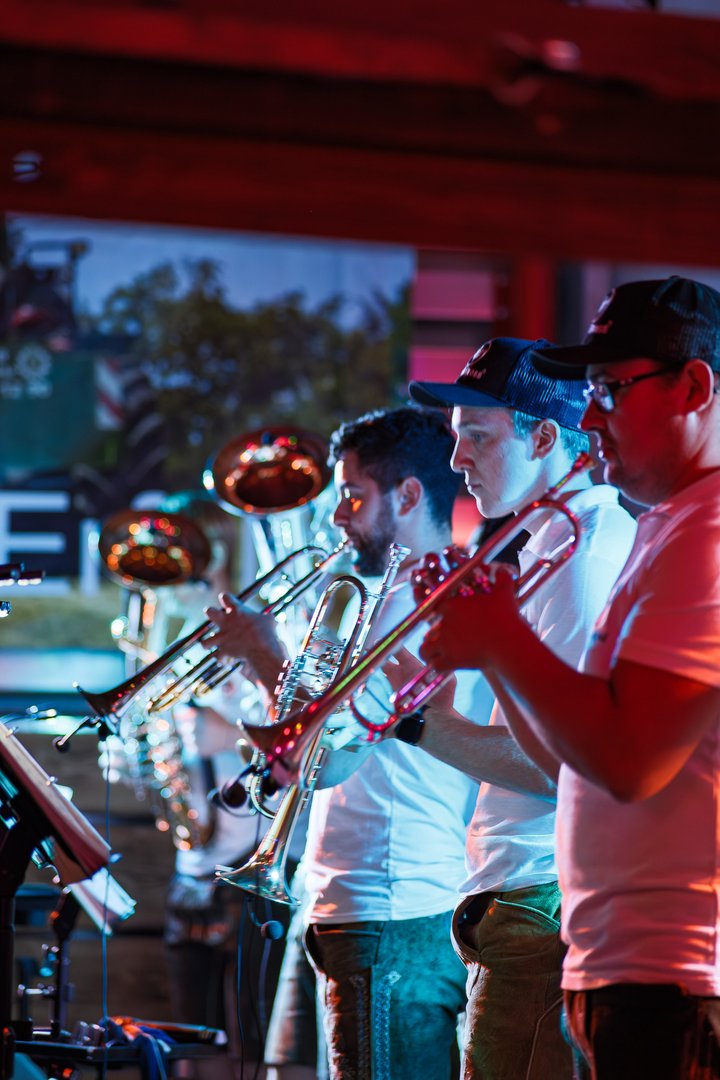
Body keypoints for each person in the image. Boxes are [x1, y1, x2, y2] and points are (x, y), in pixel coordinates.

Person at [419, 278, 720, 1080]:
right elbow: (575, 751)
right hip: (621, 957)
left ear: (693, 388)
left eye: (609, 390)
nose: (588, 418)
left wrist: (500, 642)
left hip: (676, 974)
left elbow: (626, 762)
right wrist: (496, 650)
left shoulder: (704, 534)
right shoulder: (668, 527)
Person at [205, 406, 495, 1080]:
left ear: (409, 495)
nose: (337, 516)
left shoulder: (427, 610)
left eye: (353, 496)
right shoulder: (385, 596)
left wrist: (264, 652)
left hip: (392, 908)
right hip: (352, 901)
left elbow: (326, 758)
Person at [395, 337, 637, 1079]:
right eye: (455, 435)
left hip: (541, 900)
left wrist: (417, 722)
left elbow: (562, 766)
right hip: (519, 897)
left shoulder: (583, 554)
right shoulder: (547, 544)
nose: (457, 458)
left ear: (542, 438)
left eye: (477, 434)